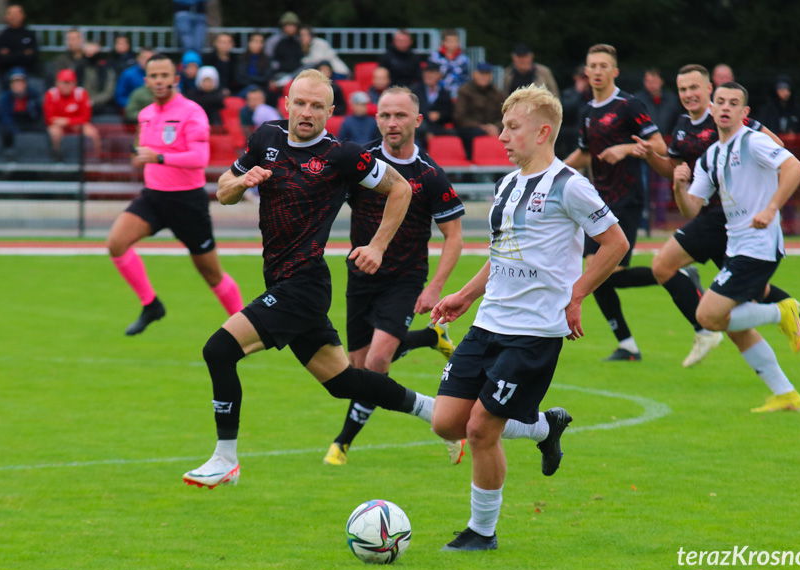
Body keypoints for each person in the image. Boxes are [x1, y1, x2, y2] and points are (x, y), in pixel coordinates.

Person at [181, 70, 572, 490]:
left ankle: (225, 459)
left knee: (219, 350)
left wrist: (379, 246)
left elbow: (400, 189)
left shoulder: (343, 155)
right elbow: (223, 189)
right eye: (300, 103)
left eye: (317, 106)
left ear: (332, 112)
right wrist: (241, 181)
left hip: (303, 285)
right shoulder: (266, 139)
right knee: (345, 382)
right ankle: (433, 410)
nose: (307, 112)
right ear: (287, 104)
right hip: (282, 281)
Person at [430, 84, 629, 551]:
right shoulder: (508, 183)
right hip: (488, 322)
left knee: (481, 430)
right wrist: (463, 293)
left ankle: (481, 532)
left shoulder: (570, 185)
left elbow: (615, 243)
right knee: (446, 422)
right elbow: (502, 253)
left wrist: (577, 293)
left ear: (542, 132)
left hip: (534, 333)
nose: (502, 136)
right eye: (503, 127)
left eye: (512, 127)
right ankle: (544, 426)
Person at [634, 64, 800, 379]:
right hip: (711, 216)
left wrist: (758, 194)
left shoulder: (726, 116)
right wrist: (651, 159)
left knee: (666, 267)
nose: (688, 95)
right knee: (753, 291)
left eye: (694, 88)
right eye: (683, 89)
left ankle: (705, 329)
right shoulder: (684, 124)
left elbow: (775, 147)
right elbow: (675, 170)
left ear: (709, 89)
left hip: (726, 217)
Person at [323, 86, 465, 466]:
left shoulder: (430, 175)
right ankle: (429, 337)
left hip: (404, 277)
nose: (391, 123)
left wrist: (435, 287)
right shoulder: (362, 162)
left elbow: (454, 237)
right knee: (357, 370)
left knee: (377, 362)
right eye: (385, 115)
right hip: (360, 275)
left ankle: (343, 442)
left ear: (417, 121)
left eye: (400, 115)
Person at [673, 81, 800, 412]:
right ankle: (785, 394)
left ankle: (781, 311)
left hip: (758, 246)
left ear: (744, 112)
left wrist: (771, 208)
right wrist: (679, 187)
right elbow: (692, 208)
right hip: (738, 246)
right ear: (711, 107)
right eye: (720, 101)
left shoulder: (753, 141)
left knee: (707, 315)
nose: (725, 107)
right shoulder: (712, 155)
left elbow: (795, 167)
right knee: (735, 326)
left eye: (733, 103)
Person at [107, 53, 243, 336]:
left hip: (186, 201)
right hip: (153, 198)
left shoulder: (192, 112)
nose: (159, 81)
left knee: (211, 273)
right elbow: (141, 149)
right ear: (146, 81)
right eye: (153, 76)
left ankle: (245, 325)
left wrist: (158, 157)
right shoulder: (145, 115)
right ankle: (151, 305)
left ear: (176, 79)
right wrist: (142, 157)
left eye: (164, 76)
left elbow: (199, 158)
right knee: (116, 243)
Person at [564, 44, 667, 361]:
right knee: (596, 274)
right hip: (599, 200)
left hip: (628, 197)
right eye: (592, 65)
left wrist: (624, 149)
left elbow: (658, 144)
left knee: (603, 271)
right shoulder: (587, 111)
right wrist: (552, 173)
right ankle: (627, 345)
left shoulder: (629, 104)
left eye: (603, 65)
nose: (596, 71)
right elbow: (584, 154)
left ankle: (670, 273)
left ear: (614, 71)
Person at [635, 67, 680, 228]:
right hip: (644, 148)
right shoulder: (638, 100)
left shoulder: (671, 100)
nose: (651, 84)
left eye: (654, 80)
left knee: (662, 186)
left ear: (661, 81)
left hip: (664, 148)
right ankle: (644, 222)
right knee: (644, 184)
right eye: (648, 80)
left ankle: (660, 220)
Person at [43, 68, 101, 161]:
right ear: (57, 83)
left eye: (69, 82)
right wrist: (64, 122)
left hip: (76, 124)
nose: (66, 86)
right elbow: (49, 118)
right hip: (59, 125)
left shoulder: (81, 93)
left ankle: (95, 160)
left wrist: (68, 121)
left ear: (74, 83)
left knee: (92, 132)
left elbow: (86, 117)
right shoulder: (51, 94)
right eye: (63, 82)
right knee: (54, 131)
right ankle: (57, 158)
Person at [454, 62, 506, 161]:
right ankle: (470, 161)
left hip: (494, 129)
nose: (484, 77)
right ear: (475, 74)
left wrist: (495, 126)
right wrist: (483, 127)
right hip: (472, 130)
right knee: (471, 132)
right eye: (481, 73)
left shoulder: (497, 93)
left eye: (487, 74)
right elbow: (459, 117)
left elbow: (505, 116)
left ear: (491, 76)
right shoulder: (464, 91)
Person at [0, 66, 43, 158]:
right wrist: (16, 131)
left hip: (29, 123)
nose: (18, 85)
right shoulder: (5, 98)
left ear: (25, 83)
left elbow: (39, 114)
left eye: (21, 82)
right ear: (10, 84)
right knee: (5, 129)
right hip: (13, 124)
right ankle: (9, 153)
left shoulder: (34, 95)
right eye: (15, 82)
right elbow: (5, 117)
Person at [0, 4, 38, 79]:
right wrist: (22, 53)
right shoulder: (2, 36)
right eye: (11, 14)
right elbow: (0, 58)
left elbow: (33, 56)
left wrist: (10, 54)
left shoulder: (29, 35)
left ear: (23, 15)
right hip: (6, 71)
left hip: (28, 71)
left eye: (17, 14)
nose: (14, 17)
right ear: (6, 17)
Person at [555, 64, 590, 159]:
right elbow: (565, 111)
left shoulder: (595, 94)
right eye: (582, 77)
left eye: (587, 77)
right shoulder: (568, 94)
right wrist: (579, 92)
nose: (585, 81)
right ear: (576, 78)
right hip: (571, 139)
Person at [413, 61, 454, 138]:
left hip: (438, 127)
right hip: (420, 128)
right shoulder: (415, 90)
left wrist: (440, 115)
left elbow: (449, 112)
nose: (428, 75)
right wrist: (427, 116)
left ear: (439, 75)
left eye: (432, 72)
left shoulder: (444, 92)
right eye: (426, 72)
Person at [428, 28, 469, 98]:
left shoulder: (464, 59)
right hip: (438, 95)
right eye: (450, 41)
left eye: (455, 41)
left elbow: (465, 78)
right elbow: (430, 76)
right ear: (443, 42)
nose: (453, 44)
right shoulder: (434, 57)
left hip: (458, 95)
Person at [81, 41, 117, 115]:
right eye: (88, 51)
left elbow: (108, 91)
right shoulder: (79, 67)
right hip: (80, 103)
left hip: (102, 105)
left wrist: (93, 101)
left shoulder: (107, 68)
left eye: (93, 51)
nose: (90, 54)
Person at [235, 33, 272, 97]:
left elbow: (266, 78)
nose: (258, 44)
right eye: (255, 41)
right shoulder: (241, 58)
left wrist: (250, 78)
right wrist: (257, 80)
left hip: (262, 89)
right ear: (249, 43)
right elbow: (239, 79)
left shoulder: (267, 59)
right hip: (244, 88)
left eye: (261, 42)